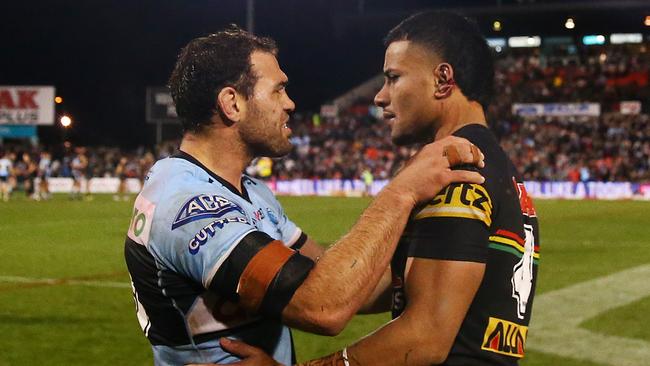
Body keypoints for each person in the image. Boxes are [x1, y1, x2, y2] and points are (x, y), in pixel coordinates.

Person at [124, 25, 484, 366]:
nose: (291, 103)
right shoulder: (188, 204)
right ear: (232, 103)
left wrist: (447, 266)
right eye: (278, 90)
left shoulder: (250, 192)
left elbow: (348, 283)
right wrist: (401, 191)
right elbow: (323, 306)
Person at [206, 11, 540, 366]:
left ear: (443, 80)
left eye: (393, 78)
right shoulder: (496, 165)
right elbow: (380, 285)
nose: (380, 96)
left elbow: (425, 337)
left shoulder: (454, 169)